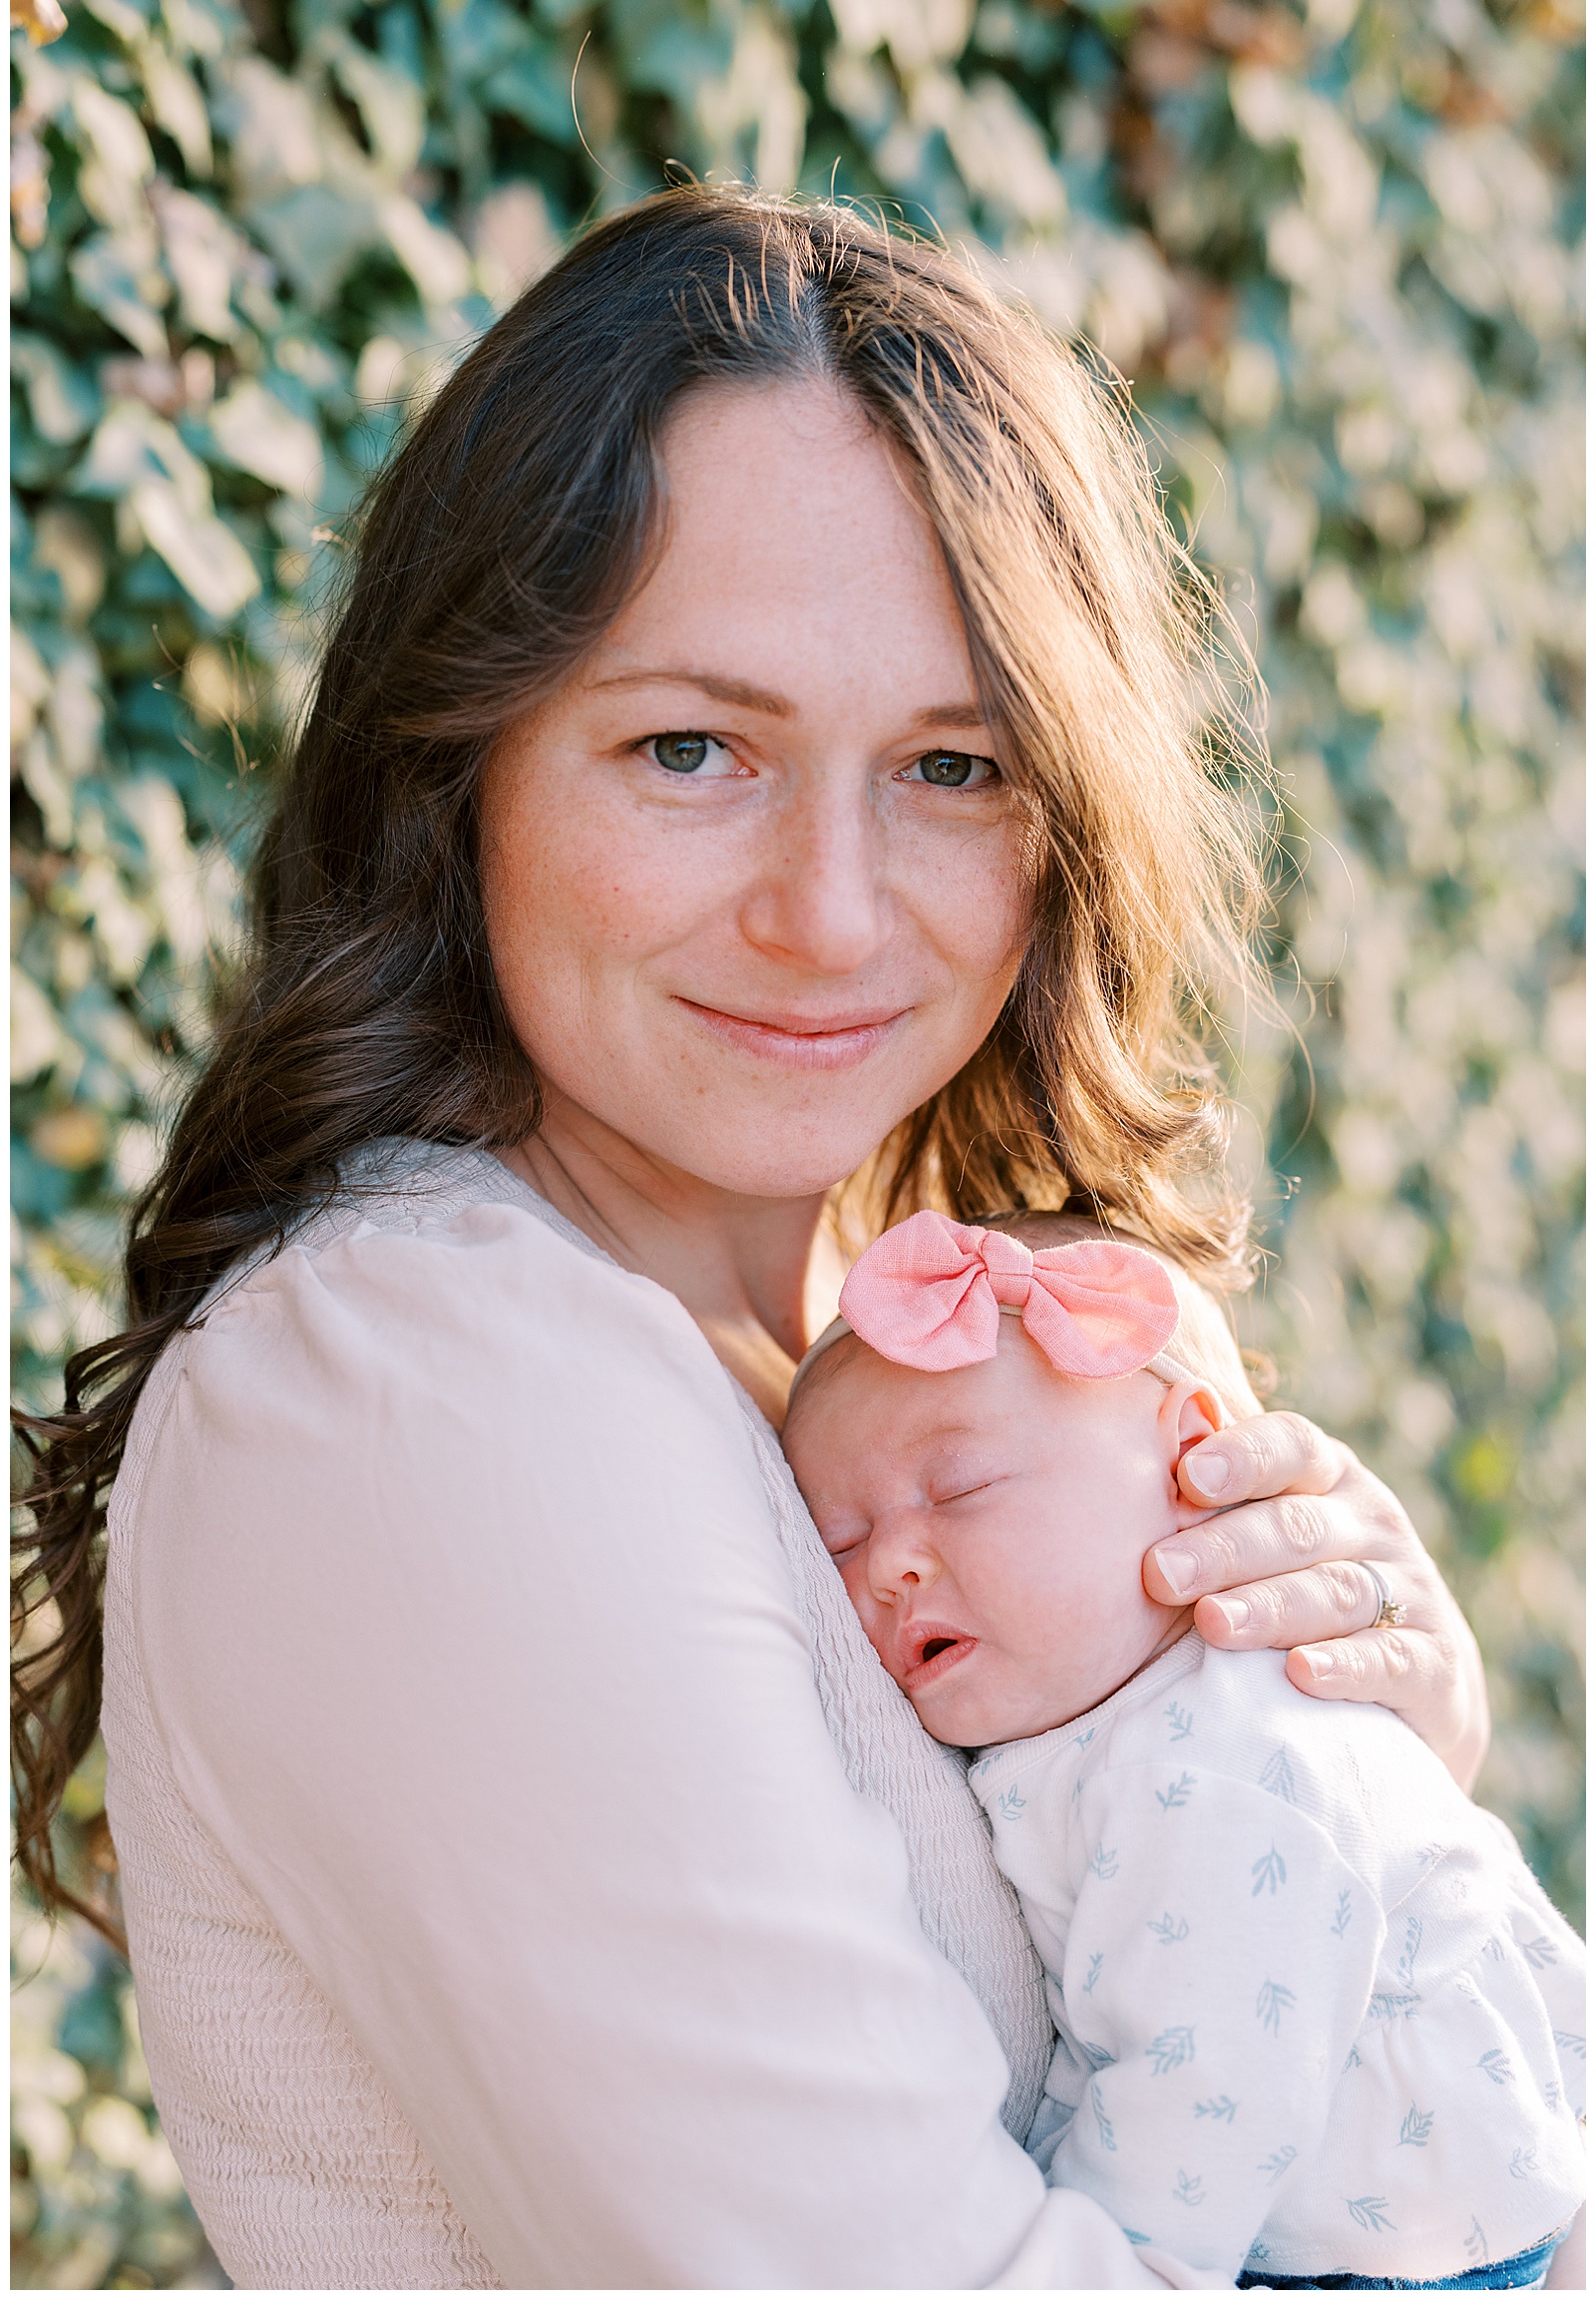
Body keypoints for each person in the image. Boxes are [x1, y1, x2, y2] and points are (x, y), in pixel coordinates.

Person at [12, 189, 1534, 2289]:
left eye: (947, 764)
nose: (827, 909)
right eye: (689, 748)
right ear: (458, 770)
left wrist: (1339, 1781)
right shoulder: (422, 1390)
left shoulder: (873, 1378)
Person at [783, 1208, 1586, 2290]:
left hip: (1401, 2259)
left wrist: (1106, 2257)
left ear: (1192, 1459)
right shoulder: (1110, 1715)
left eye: (960, 1486)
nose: (890, 1565)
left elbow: (1204, 2093)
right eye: (838, 1537)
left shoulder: (1216, 1758)